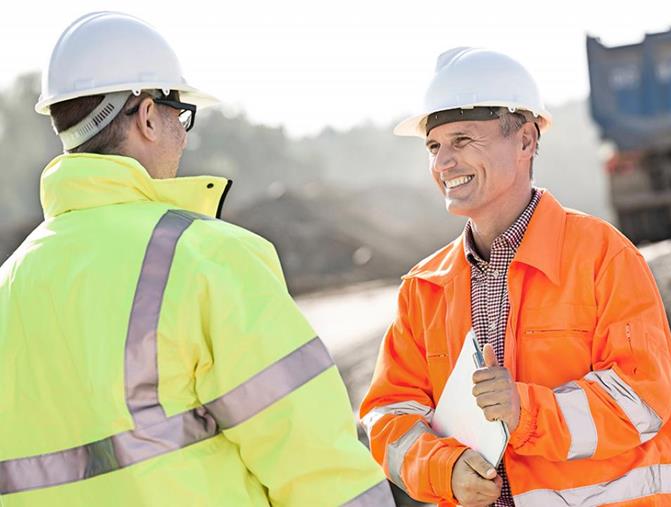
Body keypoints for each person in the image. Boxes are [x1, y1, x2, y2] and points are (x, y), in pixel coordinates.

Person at [0, 12, 391, 506]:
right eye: (180, 115)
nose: (184, 135)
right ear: (146, 116)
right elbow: (318, 465)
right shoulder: (204, 258)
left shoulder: (10, 284)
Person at [360, 47, 671, 506]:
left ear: (526, 141)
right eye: (434, 146)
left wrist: (525, 411)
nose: (443, 163)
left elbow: (643, 398)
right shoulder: (424, 288)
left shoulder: (602, 256)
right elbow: (388, 415)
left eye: (463, 140)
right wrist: (445, 469)